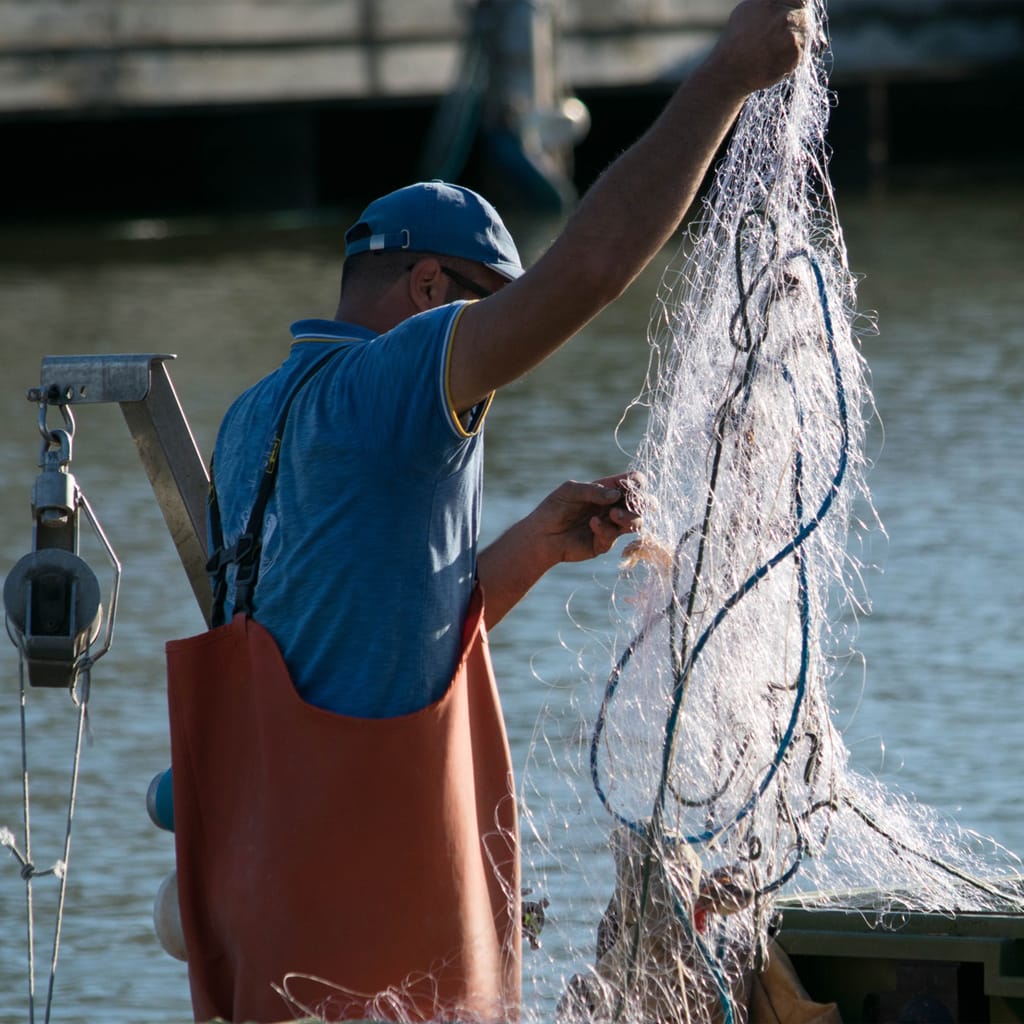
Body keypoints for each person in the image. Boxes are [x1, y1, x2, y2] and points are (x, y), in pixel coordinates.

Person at [164, 2, 808, 1021]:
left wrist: (528, 552)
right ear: (428, 288)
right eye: (487, 314)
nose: (493, 369)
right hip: (378, 918)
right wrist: (725, 76)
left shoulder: (254, 419)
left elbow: (346, 646)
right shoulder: (398, 378)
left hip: (269, 910)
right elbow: (589, 272)